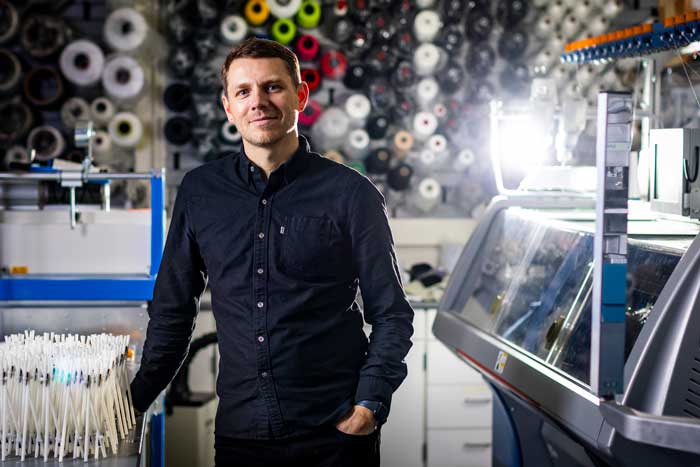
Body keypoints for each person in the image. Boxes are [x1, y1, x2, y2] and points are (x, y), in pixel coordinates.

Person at [130, 37, 414, 467]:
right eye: (243, 92)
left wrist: (369, 405)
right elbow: (173, 310)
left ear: (300, 95)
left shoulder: (351, 194)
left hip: (334, 435)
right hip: (242, 437)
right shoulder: (200, 193)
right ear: (228, 107)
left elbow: (392, 312)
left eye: (272, 87)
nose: (258, 102)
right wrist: (132, 403)